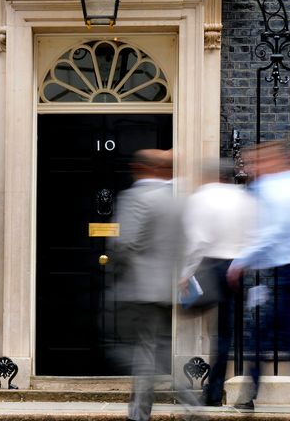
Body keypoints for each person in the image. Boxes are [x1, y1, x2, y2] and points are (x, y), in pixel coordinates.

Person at [227, 141, 290, 421]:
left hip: (289, 272)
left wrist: (241, 262)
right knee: (270, 335)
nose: (251, 170)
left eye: (255, 163)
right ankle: (254, 391)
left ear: (274, 161)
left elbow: (273, 233)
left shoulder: (276, 189)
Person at [178, 159, 257, 406]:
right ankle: (221, 390)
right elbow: (253, 236)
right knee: (227, 333)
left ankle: (210, 393)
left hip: (211, 265)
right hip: (236, 267)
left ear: (209, 176)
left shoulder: (201, 197)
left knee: (208, 326)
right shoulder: (243, 198)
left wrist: (185, 272)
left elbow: (197, 241)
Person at [111, 149, 182, 421]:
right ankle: (187, 404)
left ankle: (141, 413)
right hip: (167, 288)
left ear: (141, 167)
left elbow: (125, 242)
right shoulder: (176, 201)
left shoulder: (137, 197)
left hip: (141, 287)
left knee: (143, 351)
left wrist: (117, 262)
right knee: (155, 350)